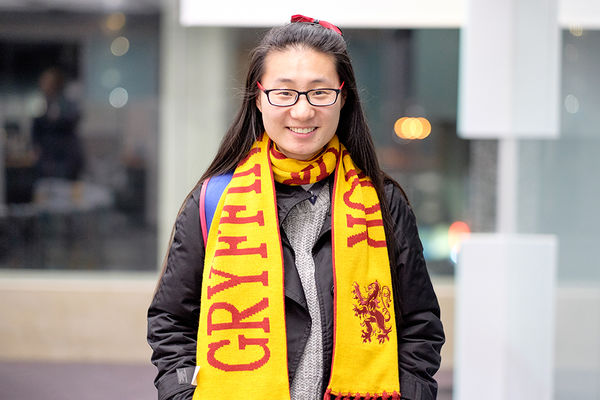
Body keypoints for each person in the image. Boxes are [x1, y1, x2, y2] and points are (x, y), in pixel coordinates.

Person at [147, 15, 444, 400]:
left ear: (343, 97)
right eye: (284, 93)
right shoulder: (213, 200)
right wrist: (185, 394)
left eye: (319, 93)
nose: (302, 111)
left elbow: (419, 327)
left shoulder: (383, 203)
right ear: (258, 97)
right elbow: (172, 323)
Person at [31, 67, 84, 181]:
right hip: (47, 161)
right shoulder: (42, 104)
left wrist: (56, 118)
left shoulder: (67, 104)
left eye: (46, 82)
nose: (43, 85)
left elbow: (74, 119)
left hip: (65, 160)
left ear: (55, 84)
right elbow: (36, 131)